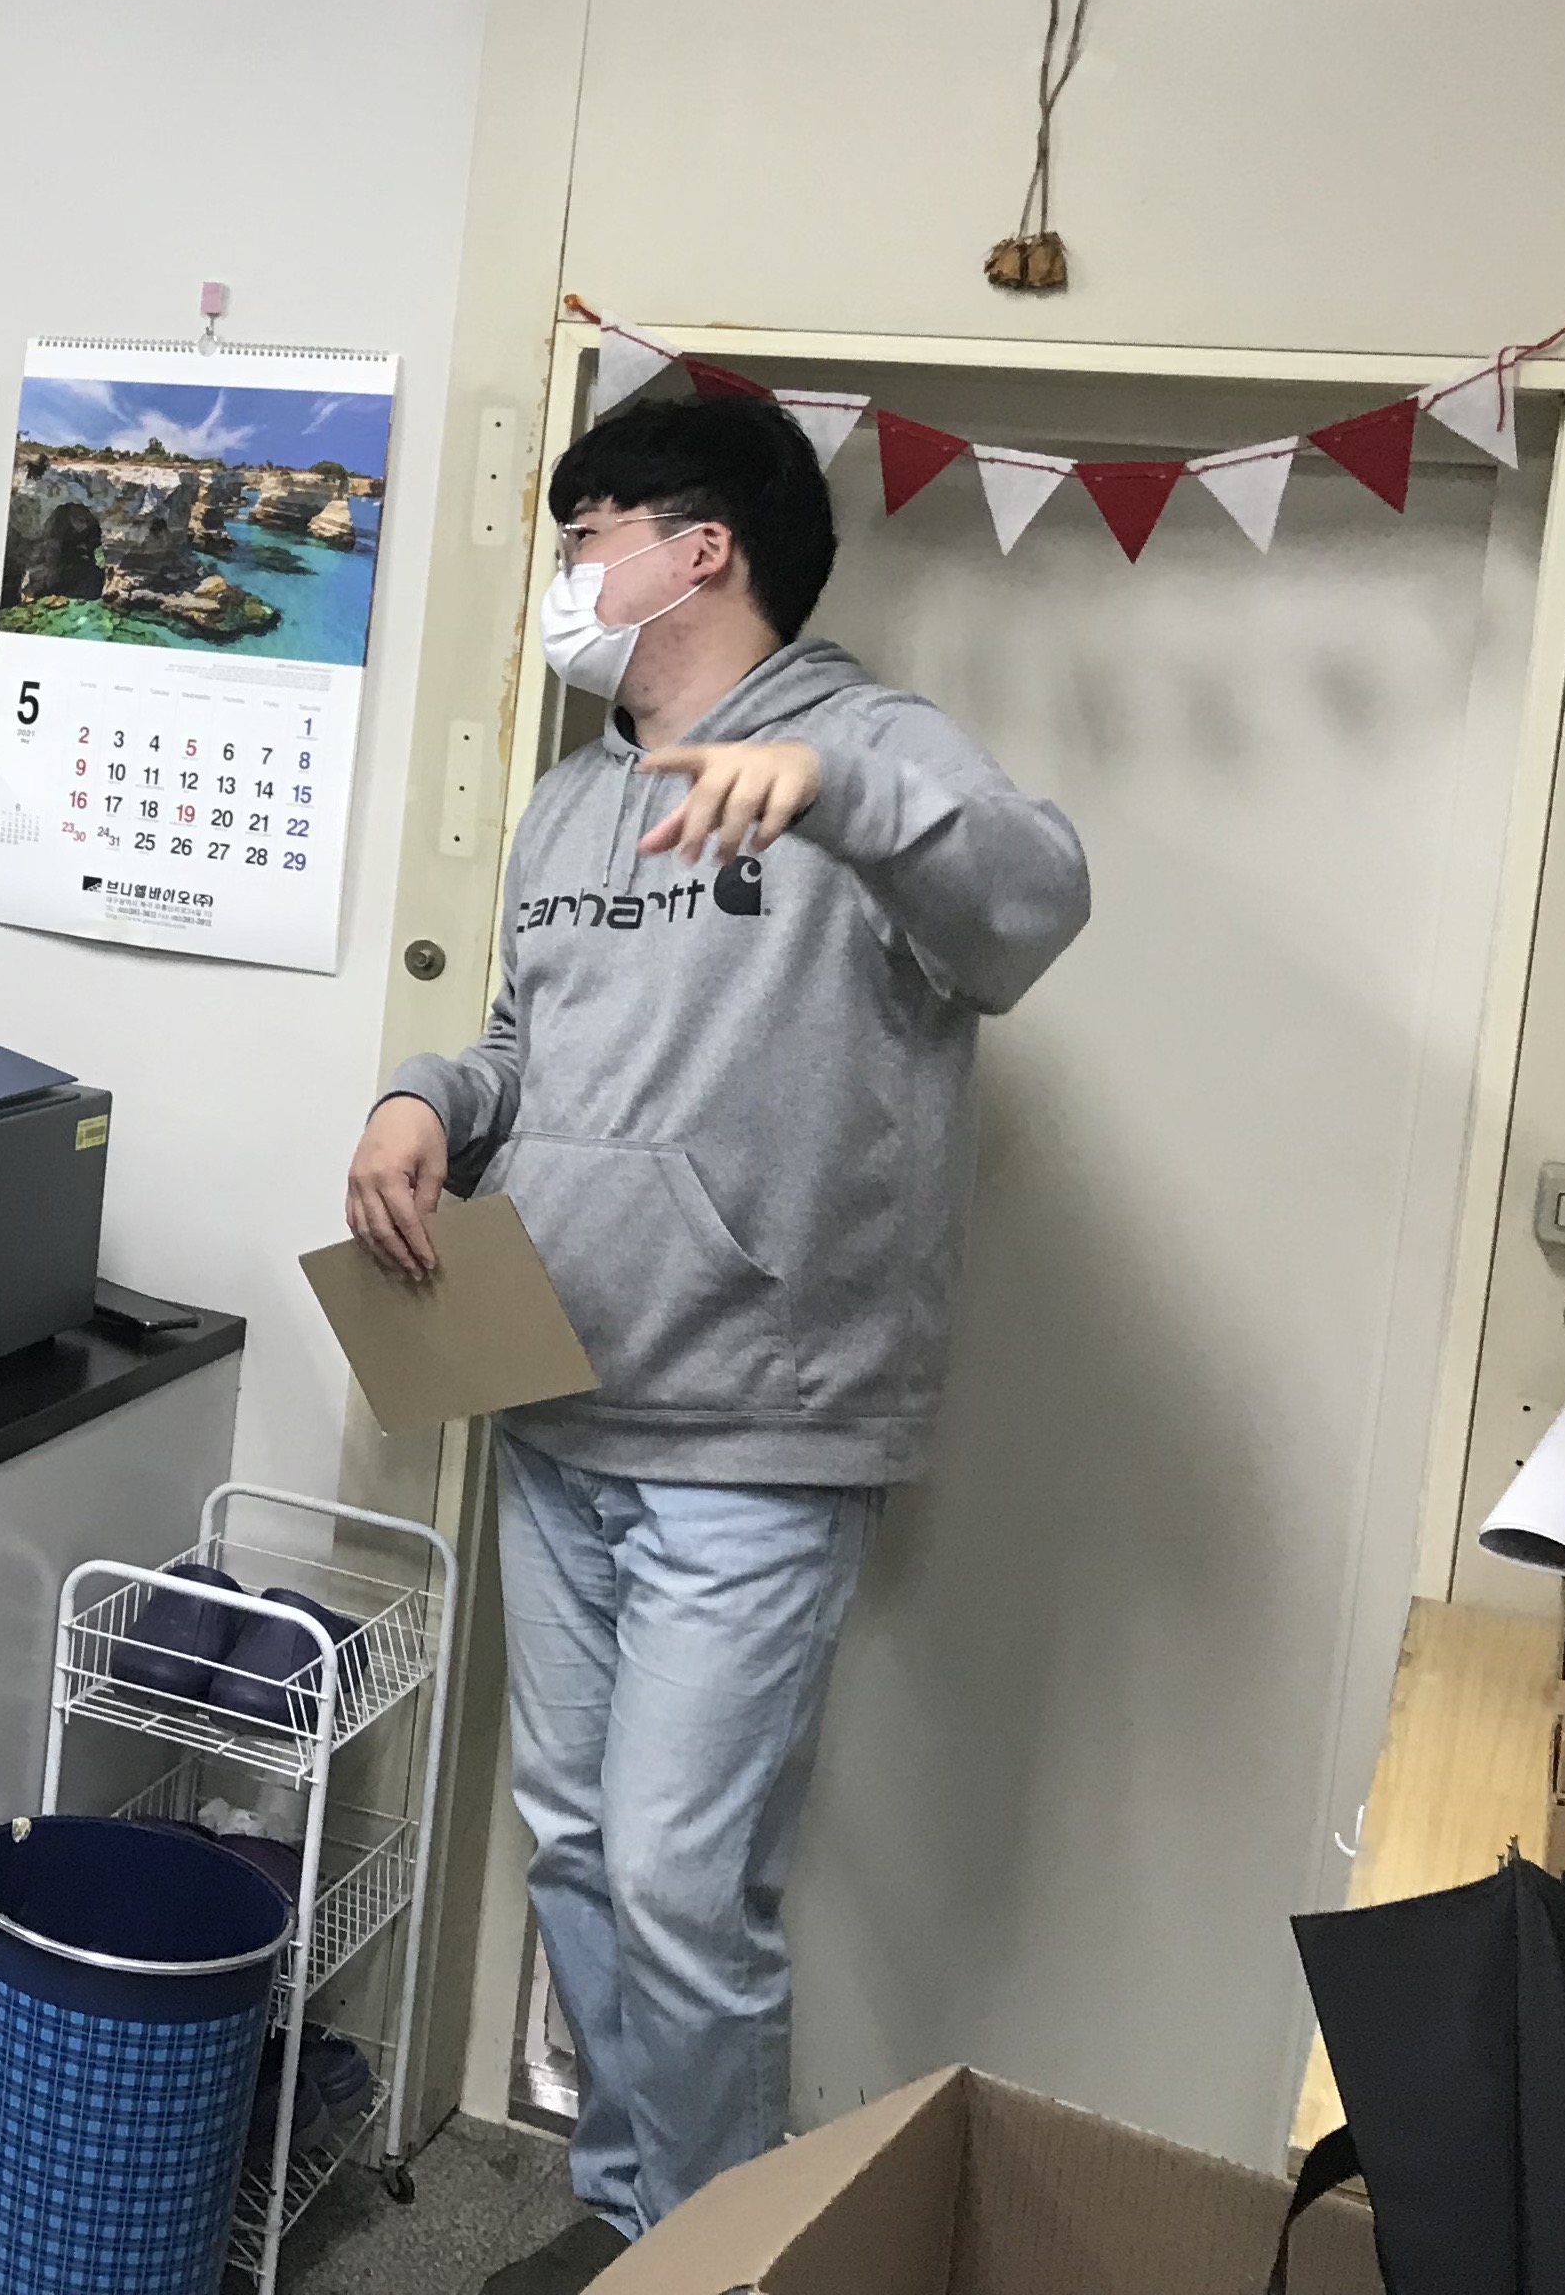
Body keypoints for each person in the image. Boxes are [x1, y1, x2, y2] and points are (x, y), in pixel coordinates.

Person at [341, 388, 1089, 2291]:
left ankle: (723, 2258)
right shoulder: (572, 796)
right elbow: (524, 1045)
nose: (563, 575)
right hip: (549, 1403)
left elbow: (1030, 907)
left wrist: (833, 793)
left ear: (699, 548)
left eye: (583, 536)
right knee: (577, 1850)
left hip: (758, 1435)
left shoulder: (869, 746)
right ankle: (631, 2213)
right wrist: (426, 1098)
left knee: (684, 1880)